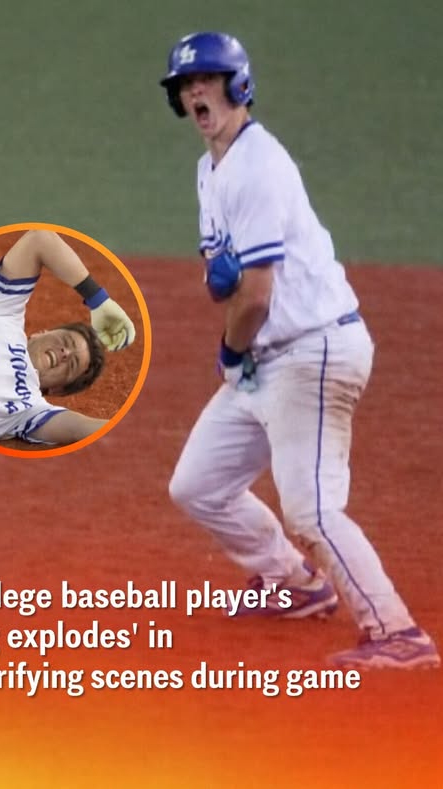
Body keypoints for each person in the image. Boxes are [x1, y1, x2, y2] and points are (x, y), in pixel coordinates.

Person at [160, 31, 439, 669]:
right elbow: (227, 279)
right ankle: (294, 582)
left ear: (238, 86)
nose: (196, 93)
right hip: (266, 359)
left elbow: (255, 297)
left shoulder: (258, 167)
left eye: (207, 80)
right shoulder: (209, 171)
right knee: (198, 485)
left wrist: (230, 352)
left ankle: (398, 633)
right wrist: (221, 289)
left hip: (312, 353)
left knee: (311, 508)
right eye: (186, 85)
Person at [0, 229, 136, 445]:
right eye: (66, 342)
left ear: (58, 389)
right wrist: (98, 299)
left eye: (72, 364)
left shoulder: (29, 410)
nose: (65, 353)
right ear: (40, 333)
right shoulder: (1, 314)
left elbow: (80, 428)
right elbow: (40, 240)